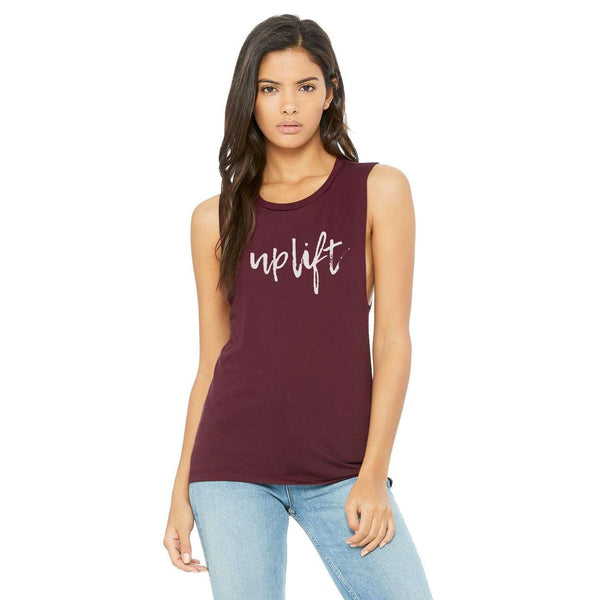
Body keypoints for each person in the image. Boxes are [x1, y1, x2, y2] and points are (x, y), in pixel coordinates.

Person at [163, 14, 434, 600]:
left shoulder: (379, 190)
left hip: (343, 469)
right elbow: (211, 363)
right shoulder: (214, 218)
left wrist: (372, 475)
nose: (289, 105)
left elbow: (393, 340)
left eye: (305, 87)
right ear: (250, 98)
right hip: (231, 469)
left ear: (329, 92)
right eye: (270, 88)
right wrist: (180, 490)